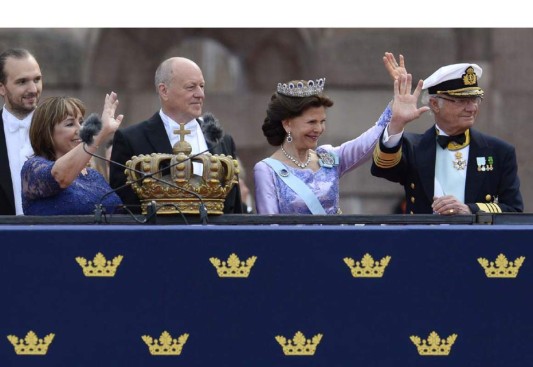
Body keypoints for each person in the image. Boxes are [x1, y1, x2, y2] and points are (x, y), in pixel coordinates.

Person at [253, 54, 428, 214]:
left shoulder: (328, 158)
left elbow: (366, 142)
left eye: (322, 122)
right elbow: (270, 228)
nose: (319, 129)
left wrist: (395, 111)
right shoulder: (267, 170)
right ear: (287, 124)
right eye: (311, 122)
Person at [371, 59, 523, 214]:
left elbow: (514, 210)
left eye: (475, 99)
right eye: (462, 100)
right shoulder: (413, 147)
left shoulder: (499, 152)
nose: (472, 108)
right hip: (424, 237)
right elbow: (382, 169)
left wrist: (470, 211)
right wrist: (396, 124)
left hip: (475, 238)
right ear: (435, 104)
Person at [110, 56, 243, 214]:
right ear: (164, 91)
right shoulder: (131, 139)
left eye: (202, 86)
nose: (200, 94)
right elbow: (125, 208)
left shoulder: (222, 140)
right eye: (191, 87)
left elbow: (234, 206)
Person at [21, 93, 123, 215]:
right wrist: (99, 133)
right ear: (46, 132)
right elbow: (59, 177)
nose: (81, 129)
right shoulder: (32, 169)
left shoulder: (94, 175)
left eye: (81, 122)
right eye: (70, 124)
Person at [0, 48, 42, 215]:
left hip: (53, 236)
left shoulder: (61, 128)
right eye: (22, 82)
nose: (33, 89)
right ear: (2, 88)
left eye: (37, 79)